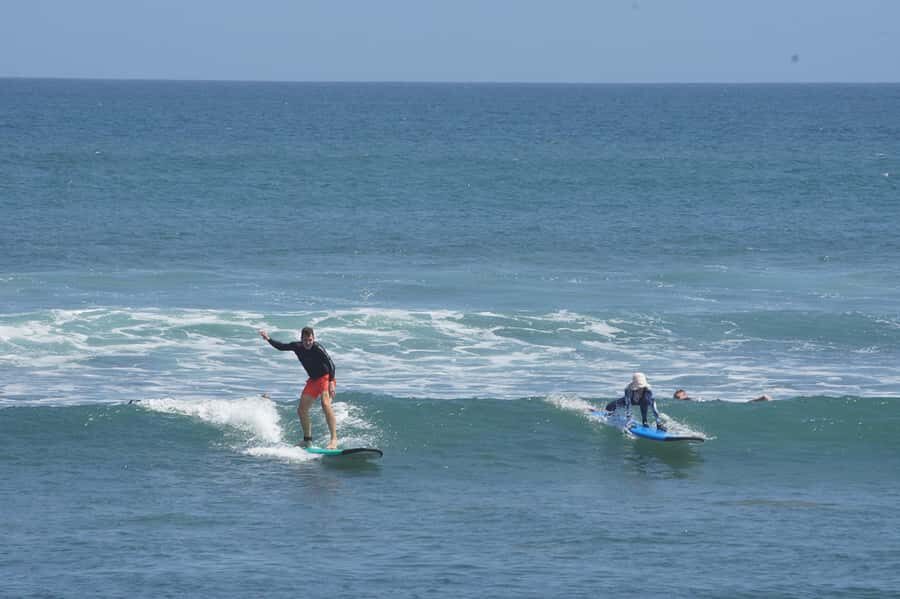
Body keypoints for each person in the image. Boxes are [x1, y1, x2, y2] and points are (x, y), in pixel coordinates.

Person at [259, 326, 338, 449]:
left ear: (313, 339)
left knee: (325, 404)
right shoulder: (297, 347)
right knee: (302, 409)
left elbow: (331, 364)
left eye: (310, 340)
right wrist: (268, 338)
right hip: (313, 380)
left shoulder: (318, 348)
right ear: (301, 339)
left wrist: (332, 382)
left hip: (325, 378)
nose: (308, 343)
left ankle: (334, 440)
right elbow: (281, 347)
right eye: (305, 340)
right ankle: (307, 440)